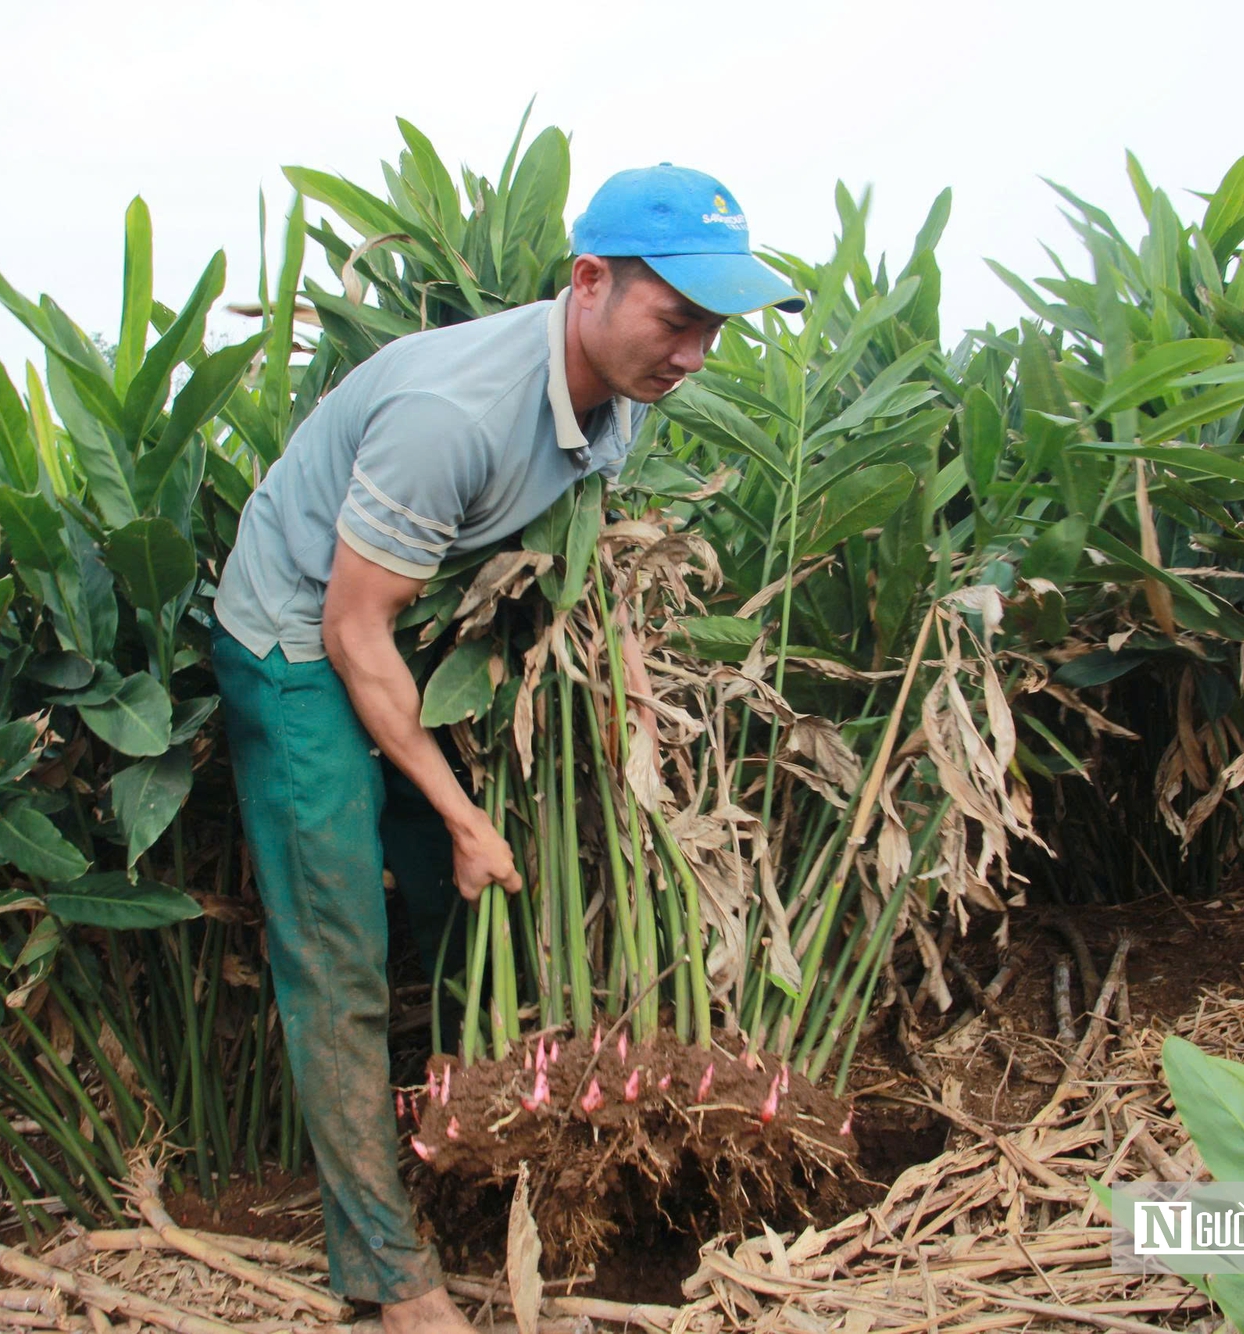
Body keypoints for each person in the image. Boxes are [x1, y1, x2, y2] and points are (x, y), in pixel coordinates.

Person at [209, 163, 803, 1333]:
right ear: (588, 282)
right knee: (339, 946)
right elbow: (349, 630)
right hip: (296, 635)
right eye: (675, 319)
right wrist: (462, 810)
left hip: (406, 622)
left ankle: (459, 1149)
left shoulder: (625, 391)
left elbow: (562, 545)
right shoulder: (454, 415)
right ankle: (387, 1271)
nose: (693, 354)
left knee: (450, 903)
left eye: (714, 329)